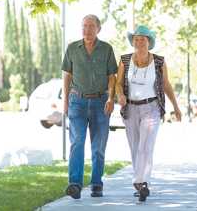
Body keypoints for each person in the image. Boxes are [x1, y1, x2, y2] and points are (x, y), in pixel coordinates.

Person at [116, 25, 182, 202]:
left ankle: (142, 182)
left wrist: (176, 106)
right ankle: (139, 181)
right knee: (135, 146)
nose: (139, 42)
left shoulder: (159, 61)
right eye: (136, 39)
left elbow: (166, 85)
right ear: (133, 41)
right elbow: (118, 82)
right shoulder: (125, 60)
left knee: (146, 145)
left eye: (142, 39)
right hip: (130, 108)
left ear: (149, 42)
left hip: (151, 107)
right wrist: (120, 95)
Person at [62, 14, 117, 199]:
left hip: (101, 102)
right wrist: (65, 102)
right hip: (77, 101)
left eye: (91, 26)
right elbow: (67, 76)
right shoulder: (72, 48)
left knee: (98, 146)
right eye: (84, 26)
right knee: (77, 142)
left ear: (98, 29)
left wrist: (111, 99)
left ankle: (96, 183)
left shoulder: (107, 49)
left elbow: (112, 77)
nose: (87, 30)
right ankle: (75, 184)